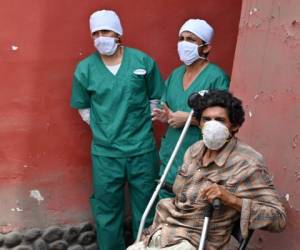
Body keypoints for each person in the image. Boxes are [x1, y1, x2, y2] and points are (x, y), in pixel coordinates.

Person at [128, 90, 287, 250]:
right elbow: (179, 199)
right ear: (200, 123)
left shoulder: (247, 163)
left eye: (220, 120)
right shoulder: (194, 150)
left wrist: (231, 199)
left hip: (197, 242)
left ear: (235, 126)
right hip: (166, 232)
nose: (212, 125)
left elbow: (278, 219)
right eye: (206, 119)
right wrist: (150, 232)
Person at [70, 10, 165, 250]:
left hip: (141, 149)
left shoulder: (142, 62)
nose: (102, 38)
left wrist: (138, 125)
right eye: (96, 33)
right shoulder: (85, 69)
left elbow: (155, 97)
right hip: (106, 153)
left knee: (147, 207)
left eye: (106, 32)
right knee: (107, 209)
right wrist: (105, 129)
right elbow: (83, 108)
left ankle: (146, 246)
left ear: (118, 33)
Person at [152, 19, 230, 199]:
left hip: (199, 154)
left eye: (191, 39)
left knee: (191, 207)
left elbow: (224, 122)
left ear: (206, 47)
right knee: (165, 204)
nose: (184, 44)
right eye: (181, 38)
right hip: (172, 152)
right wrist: (166, 116)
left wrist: (190, 119)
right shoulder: (175, 74)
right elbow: (168, 105)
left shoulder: (216, 77)